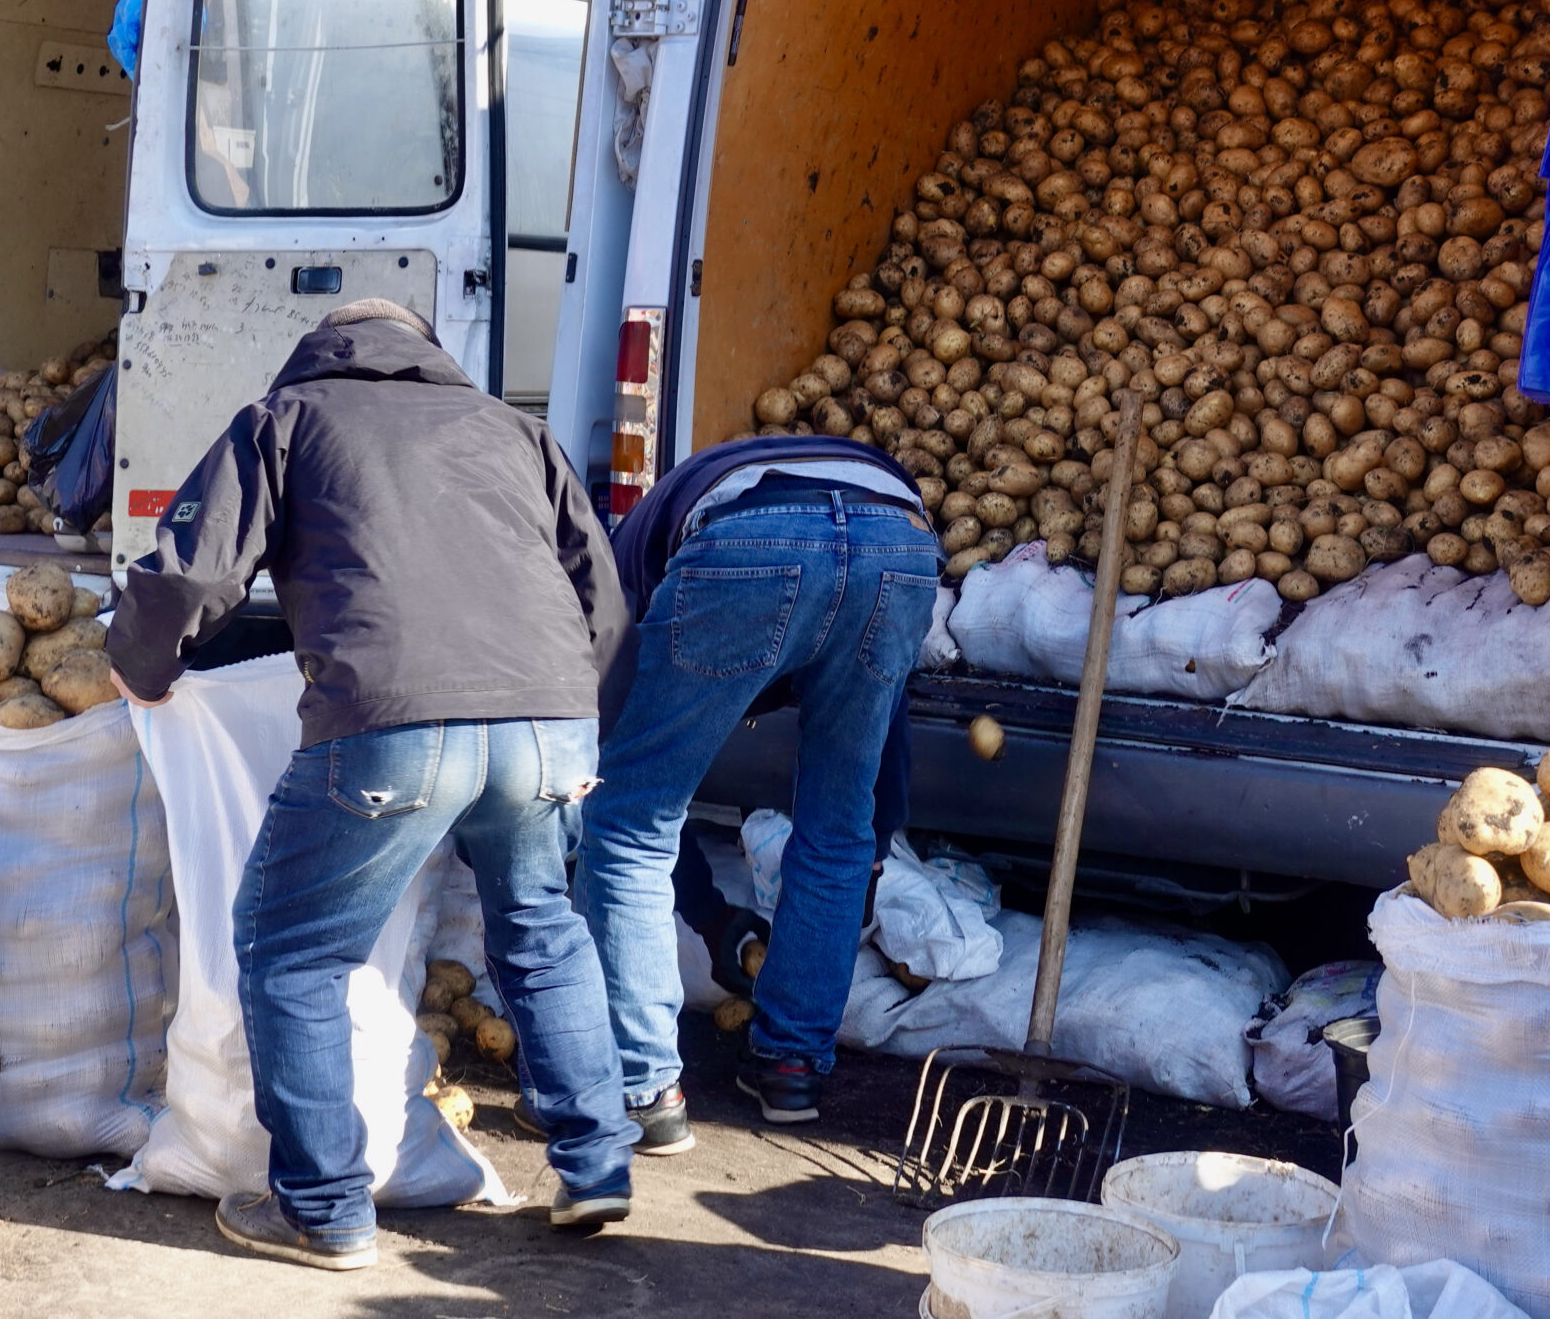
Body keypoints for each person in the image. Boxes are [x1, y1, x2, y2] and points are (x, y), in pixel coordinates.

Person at [104, 299, 639, 1270]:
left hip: (398, 724)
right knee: (541, 929)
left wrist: (140, 667)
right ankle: (597, 1165)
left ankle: (322, 1210)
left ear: (322, 350)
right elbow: (602, 603)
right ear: (425, 353)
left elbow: (189, 577)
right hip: (551, 724)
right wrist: (569, 725)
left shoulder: (289, 420)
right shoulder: (514, 432)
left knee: (292, 950)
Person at [578, 435, 942, 1131]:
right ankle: (792, 1070)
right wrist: (867, 852)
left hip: (750, 540)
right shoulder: (643, 554)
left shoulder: (625, 569)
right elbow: (884, 736)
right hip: (900, 537)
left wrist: (710, 916)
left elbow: (617, 777)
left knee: (628, 821)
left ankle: (642, 1087)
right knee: (838, 827)